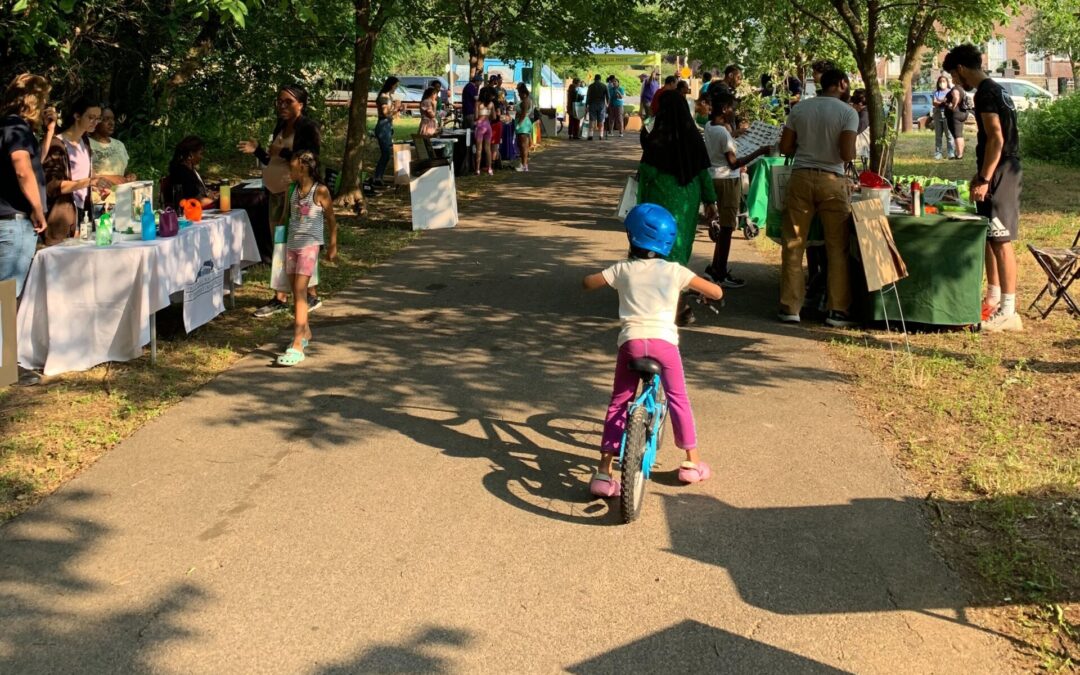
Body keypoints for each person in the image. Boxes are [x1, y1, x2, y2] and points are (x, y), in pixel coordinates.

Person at [581, 203, 723, 497]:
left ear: (632, 238)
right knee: (679, 398)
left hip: (631, 343)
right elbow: (716, 292)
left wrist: (609, 279)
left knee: (619, 401)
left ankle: (604, 472)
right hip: (664, 344)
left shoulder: (623, 269)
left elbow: (588, 283)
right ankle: (691, 463)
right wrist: (702, 290)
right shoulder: (675, 271)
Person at [945, 44, 1023, 332]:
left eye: (954, 76)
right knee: (990, 235)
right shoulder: (996, 89)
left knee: (1001, 239)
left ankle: (1009, 311)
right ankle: (992, 299)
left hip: (1002, 170)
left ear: (961, 69)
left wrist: (985, 178)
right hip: (997, 169)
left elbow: (996, 139)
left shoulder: (986, 93)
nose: (955, 82)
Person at [777, 68, 859, 327]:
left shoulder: (800, 109)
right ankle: (837, 310)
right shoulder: (848, 113)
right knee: (837, 247)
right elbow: (847, 154)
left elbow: (786, 147)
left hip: (801, 178)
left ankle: (791, 307)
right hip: (833, 181)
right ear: (842, 84)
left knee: (793, 244)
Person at [237, 84, 322, 317]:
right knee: (281, 245)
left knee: (298, 245)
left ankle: (300, 295)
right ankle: (288, 296)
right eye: (279, 101)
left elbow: (309, 160)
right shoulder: (281, 126)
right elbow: (270, 159)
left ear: (301, 104)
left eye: (288, 102)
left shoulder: (308, 127)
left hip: (295, 194)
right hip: (275, 193)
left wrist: (281, 153)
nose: (282, 106)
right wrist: (257, 150)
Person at [638, 89, 719, 325]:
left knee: (656, 247)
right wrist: (710, 201)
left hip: (658, 201)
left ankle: (664, 303)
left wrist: (640, 205)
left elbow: (647, 173)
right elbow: (704, 172)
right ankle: (677, 302)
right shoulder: (693, 138)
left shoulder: (657, 138)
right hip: (687, 201)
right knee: (680, 246)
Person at [275, 151, 338, 367]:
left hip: (309, 247)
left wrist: (332, 245)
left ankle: (297, 342)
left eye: (291, 167)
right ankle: (306, 330)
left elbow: (331, 220)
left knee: (301, 292)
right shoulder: (291, 190)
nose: (288, 172)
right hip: (292, 246)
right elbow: (285, 217)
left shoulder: (319, 191)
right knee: (295, 292)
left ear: (302, 167)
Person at [703, 90, 771, 288]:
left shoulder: (710, 126)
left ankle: (716, 268)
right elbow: (733, 163)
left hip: (714, 176)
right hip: (727, 180)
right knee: (727, 228)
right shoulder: (722, 133)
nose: (734, 112)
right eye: (732, 108)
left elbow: (722, 143)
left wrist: (735, 134)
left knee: (725, 226)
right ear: (724, 109)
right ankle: (720, 272)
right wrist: (760, 151)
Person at [1, 74, 53, 297]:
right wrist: (37, 209)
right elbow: (23, 169)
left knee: (7, 296)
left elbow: (34, 167)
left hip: (7, 221)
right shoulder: (17, 127)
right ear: (34, 101)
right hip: (15, 223)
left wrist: (49, 132)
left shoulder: (8, 127)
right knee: (7, 296)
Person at [42, 96, 108, 245]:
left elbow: (84, 173)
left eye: (98, 119)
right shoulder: (57, 143)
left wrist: (97, 184)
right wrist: (89, 182)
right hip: (62, 217)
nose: (95, 122)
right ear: (77, 115)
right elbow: (53, 186)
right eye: (91, 117)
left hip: (83, 214)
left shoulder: (85, 142)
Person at [88, 107, 135, 188]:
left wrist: (129, 175)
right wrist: (110, 178)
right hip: (98, 195)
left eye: (112, 119)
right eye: (106, 119)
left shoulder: (119, 144)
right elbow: (83, 175)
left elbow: (123, 170)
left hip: (121, 193)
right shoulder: (86, 144)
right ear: (96, 121)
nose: (111, 123)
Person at [167, 135, 217, 209]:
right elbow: (197, 201)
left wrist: (209, 194)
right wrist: (218, 202)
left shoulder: (189, 170)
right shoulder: (182, 173)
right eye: (200, 153)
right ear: (191, 154)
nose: (201, 157)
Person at [370, 77, 400, 185]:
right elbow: (385, 113)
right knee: (386, 153)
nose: (396, 88)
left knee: (386, 154)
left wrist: (399, 109)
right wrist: (396, 108)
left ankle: (379, 177)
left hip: (387, 126)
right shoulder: (383, 96)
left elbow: (392, 115)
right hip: (382, 126)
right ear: (391, 85)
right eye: (396, 85)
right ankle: (377, 177)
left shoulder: (389, 96)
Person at [931, 75, 956, 160]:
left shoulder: (950, 92)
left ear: (947, 82)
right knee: (938, 135)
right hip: (937, 114)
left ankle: (951, 152)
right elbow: (934, 103)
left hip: (947, 114)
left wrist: (941, 102)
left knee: (949, 135)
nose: (942, 83)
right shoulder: (936, 92)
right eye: (940, 81)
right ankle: (938, 153)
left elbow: (950, 103)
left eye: (944, 81)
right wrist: (943, 102)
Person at [943, 78, 968, 160]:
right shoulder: (962, 89)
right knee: (959, 134)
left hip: (955, 114)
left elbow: (956, 97)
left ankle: (959, 154)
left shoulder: (955, 89)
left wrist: (953, 107)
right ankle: (960, 153)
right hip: (962, 113)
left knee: (957, 135)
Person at [474, 87, 496, 175]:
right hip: (488, 126)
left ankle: (477, 169)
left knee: (479, 149)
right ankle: (490, 168)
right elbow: (494, 117)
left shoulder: (478, 103)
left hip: (480, 126)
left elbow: (476, 116)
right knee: (488, 149)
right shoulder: (491, 104)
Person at [514, 82, 533, 172]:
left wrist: (519, 124)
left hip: (523, 124)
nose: (518, 94)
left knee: (523, 145)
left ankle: (524, 165)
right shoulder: (525, 100)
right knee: (520, 145)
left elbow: (523, 114)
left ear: (523, 92)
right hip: (522, 123)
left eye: (519, 92)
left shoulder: (525, 101)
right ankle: (523, 164)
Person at [850, 88, 871, 167]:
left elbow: (856, 130)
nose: (852, 105)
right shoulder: (865, 112)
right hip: (861, 141)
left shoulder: (864, 115)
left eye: (853, 103)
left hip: (862, 143)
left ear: (860, 104)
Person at [585, 74, 609, 141]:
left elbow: (588, 97)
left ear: (594, 79)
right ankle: (601, 135)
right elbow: (608, 96)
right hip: (601, 105)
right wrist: (607, 104)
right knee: (601, 120)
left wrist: (586, 105)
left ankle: (590, 135)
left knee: (592, 120)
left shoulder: (590, 86)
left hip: (592, 104)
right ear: (600, 79)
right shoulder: (604, 86)